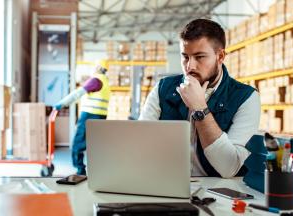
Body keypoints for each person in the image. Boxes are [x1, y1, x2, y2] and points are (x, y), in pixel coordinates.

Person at [139, 19, 261, 178]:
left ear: (220, 56)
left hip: (217, 189)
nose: (190, 67)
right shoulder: (163, 89)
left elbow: (228, 167)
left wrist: (200, 108)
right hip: (165, 181)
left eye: (199, 57)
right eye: (185, 57)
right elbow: (140, 145)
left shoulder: (246, 97)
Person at [54, 61, 111, 175]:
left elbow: (77, 93)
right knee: (95, 144)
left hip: (89, 115)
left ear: (98, 68)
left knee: (78, 143)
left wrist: (62, 104)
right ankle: (97, 170)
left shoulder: (95, 80)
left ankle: (80, 169)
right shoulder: (105, 82)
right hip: (101, 116)